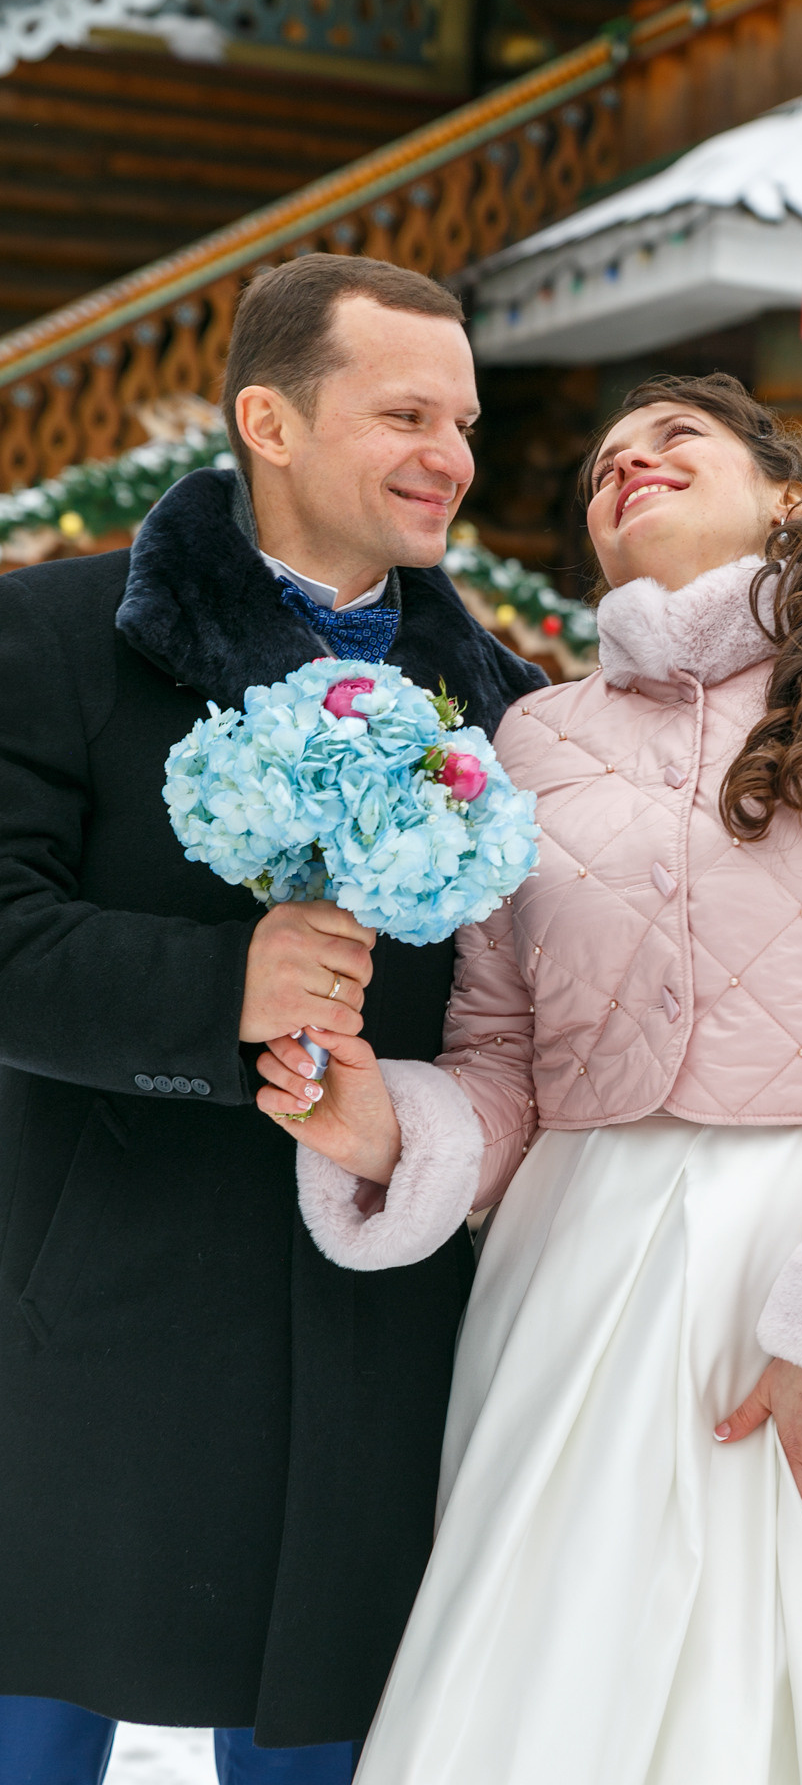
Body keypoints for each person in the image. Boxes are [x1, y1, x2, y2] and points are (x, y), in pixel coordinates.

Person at [259, 374, 802, 1784]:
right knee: (558, 1699)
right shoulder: (535, 742)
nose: (631, 462)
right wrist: (389, 1129)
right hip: (589, 1289)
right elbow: (509, 1062)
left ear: (788, 497)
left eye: (680, 440)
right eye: (605, 462)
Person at [0, 253, 545, 1785]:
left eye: (468, 420)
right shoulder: (50, 638)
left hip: (368, 1344)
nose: (452, 454)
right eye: (406, 412)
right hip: (84, 1327)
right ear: (271, 419)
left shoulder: (507, 708)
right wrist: (217, 989)